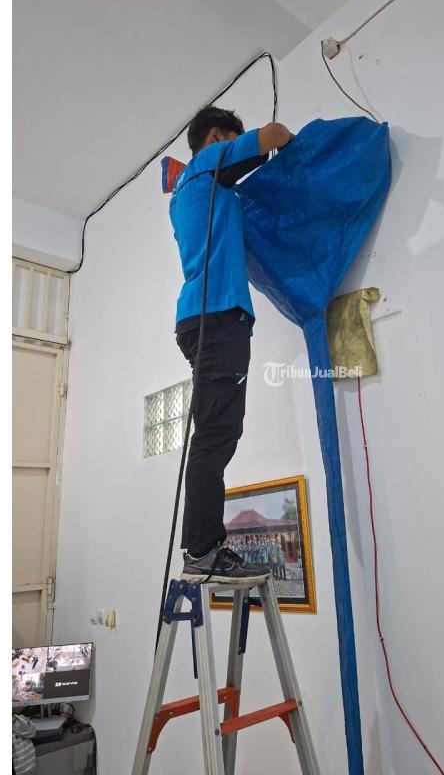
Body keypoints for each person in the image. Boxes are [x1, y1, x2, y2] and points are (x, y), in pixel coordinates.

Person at [170, 106, 294, 581]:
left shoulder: (183, 193)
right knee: (216, 434)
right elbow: (274, 134)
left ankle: (202, 547)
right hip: (219, 315)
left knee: (214, 431)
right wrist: (282, 144)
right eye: (230, 139)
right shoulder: (208, 163)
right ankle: (203, 551)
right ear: (216, 137)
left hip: (197, 318)